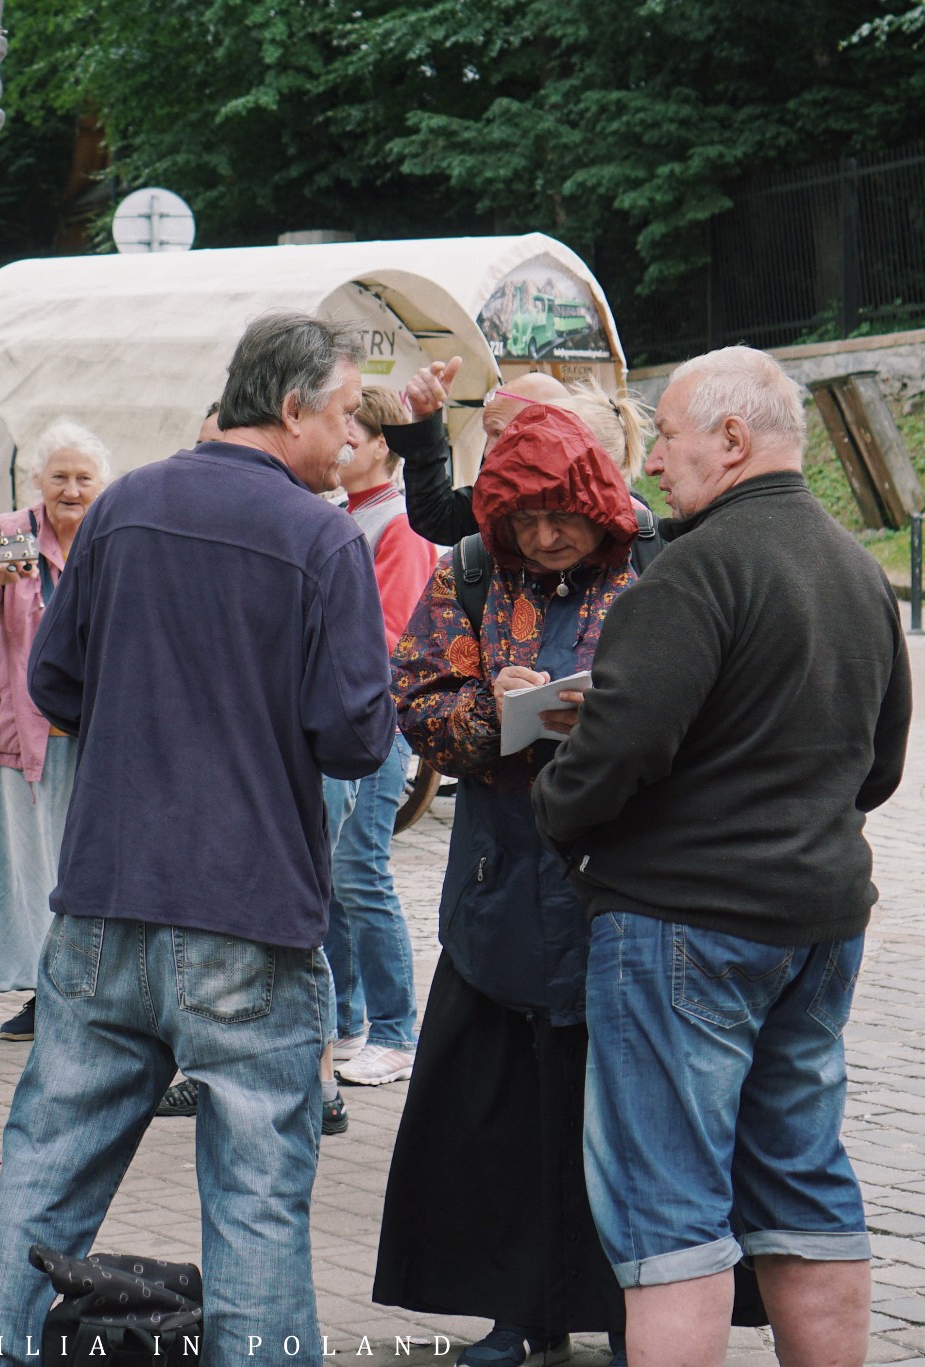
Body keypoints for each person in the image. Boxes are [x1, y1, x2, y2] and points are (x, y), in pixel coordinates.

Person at [0, 312, 394, 1367]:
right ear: (288, 407)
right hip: (247, 909)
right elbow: (352, 736)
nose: (348, 438)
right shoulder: (322, 536)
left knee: (46, 1162)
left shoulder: (121, 508)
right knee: (254, 1193)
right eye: (341, 414)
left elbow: (51, 680)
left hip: (105, 892)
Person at [534, 347, 911, 1367]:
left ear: (732, 440)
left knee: (667, 1206)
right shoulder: (856, 570)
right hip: (818, 920)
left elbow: (618, 749)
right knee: (802, 1179)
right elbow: (877, 768)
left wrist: (552, 802)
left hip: (677, 923)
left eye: (664, 436)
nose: (650, 463)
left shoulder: (691, 570)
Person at [377, 403, 640, 1367]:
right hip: (499, 883)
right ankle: (516, 1311)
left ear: (597, 503)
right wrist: (494, 710)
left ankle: (633, 1318)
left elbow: (701, 697)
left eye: (558, 516)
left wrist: (605, 718)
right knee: (500, 1117)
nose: (541, 536)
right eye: (522, 519)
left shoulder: (652, 565)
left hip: (621, 889)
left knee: (620, 1114)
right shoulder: (471, 572)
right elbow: (415, 696)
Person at [0, 418, 112, 1041]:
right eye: (58, 476)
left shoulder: (113, 535)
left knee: (90, 863)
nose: (71, 488)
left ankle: (92, 992)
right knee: (30, 869)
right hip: (22, 731)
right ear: (37, 481)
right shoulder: (12, 533)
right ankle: (43, 993)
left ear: (101, 485)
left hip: (98, 729)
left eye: (84, 478)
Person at [325, 387, 435, 1087]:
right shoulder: (352, 516)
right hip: (347, 718)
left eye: (350, 434)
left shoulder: (400, 522)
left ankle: (395, 1030)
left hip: (378, 722)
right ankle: (344, 1017)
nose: (338, 445)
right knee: (339, 874)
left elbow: (390, 637)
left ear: (380, 446)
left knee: (361, 870)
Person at [391, 361, 653, 546]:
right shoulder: (500, 500)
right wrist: (425, 418)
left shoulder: (635, 520)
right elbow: (435, 517)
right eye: (526, 520)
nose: (545, 539)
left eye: (500, 433)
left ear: (550, 429)